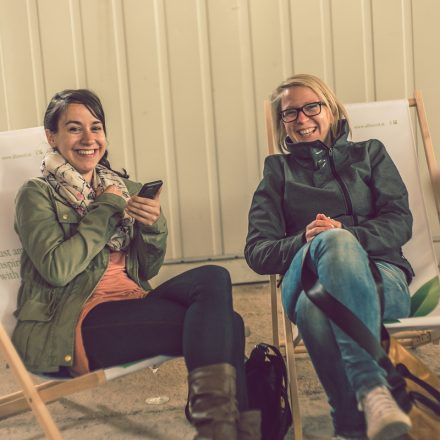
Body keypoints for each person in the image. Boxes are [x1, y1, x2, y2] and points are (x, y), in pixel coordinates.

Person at [12, 89, 260, 440]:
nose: (88, 139)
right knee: (227, 325)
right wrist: (105, 210)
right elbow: (57, 269)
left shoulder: (120, 186)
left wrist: (152, 224)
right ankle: (224, 430)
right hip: (75, 319)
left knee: (214, 276)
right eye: (74, 129)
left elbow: (147, 270)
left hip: (132, 300)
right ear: (51, 137)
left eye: (96, 128)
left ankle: (220, 429)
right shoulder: (37, 194)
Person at [245, 74, 413, 440]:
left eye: (311, 107)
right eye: (290, 114)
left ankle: (351, 429)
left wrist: (346, 236)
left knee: (314, 311)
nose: (302, 119)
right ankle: (373, 390)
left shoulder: (370, 154)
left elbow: (399, 223)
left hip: (381, 277)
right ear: (282, 125)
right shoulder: (278, 173)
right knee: (329, 242)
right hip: (305, 274)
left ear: (332, 110)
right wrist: (306, 240)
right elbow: (257, 252)